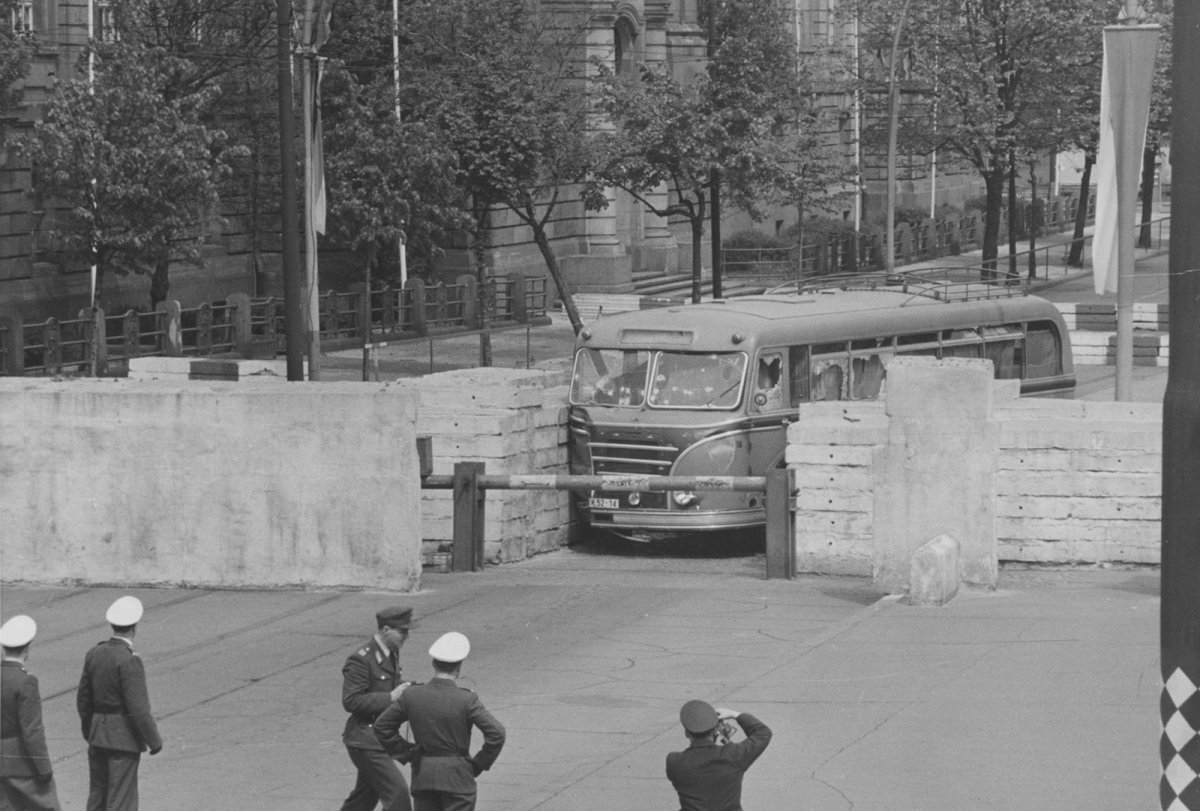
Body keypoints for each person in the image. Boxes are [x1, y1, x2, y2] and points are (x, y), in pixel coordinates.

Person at [374, 632, 505, 811]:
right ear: (458, 668)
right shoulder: (467, 699)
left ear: (434, 663)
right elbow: (497, 733)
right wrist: (478, 764)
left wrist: (408, 753)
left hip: (423, 776)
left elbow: (382, 726)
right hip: (458, 777)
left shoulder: (412, 695)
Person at [77, 596, 163, 811]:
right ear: (134, 627)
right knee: (121, 799)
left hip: (97, 735)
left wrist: (90, 730)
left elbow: (83, 700)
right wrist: (154, 741)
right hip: (123, 739)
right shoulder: (129, 659)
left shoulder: (94, 653)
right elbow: (139, 708)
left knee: (97, 796)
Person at [339, 606, 418, 811]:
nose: (406, 636)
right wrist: (391, 697)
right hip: (365, 738)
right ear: (385, 630)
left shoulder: (391, 652)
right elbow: (351, 701)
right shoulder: (361, 659)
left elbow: (391, 686)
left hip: (379, 737)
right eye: (402, 631)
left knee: (363, 799)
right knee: (397, 795)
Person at [665, 700, 772, 811]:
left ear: (687, 733)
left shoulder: (674, 762)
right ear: (716, 730)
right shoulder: (732, 755)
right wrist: (735, 714)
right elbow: (763, 733)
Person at [1, 615, 61, 811]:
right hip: (22, 764)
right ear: (26, 648)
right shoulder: (25, 681)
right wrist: (43, 767)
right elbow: (32, 730)